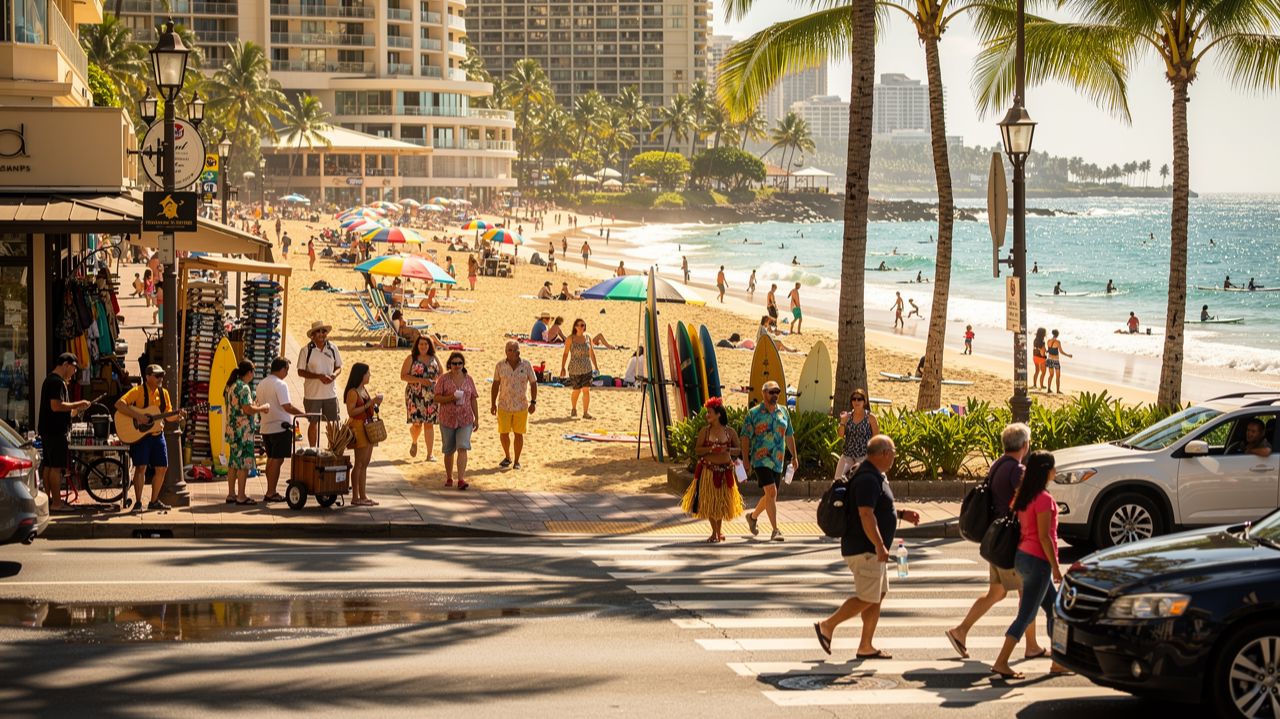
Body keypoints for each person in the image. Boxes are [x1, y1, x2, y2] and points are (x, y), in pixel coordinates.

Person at [813, 435, 920, 659]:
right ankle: (827, 626)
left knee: (876, 595)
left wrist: (901, 514)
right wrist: (879, 545)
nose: (894, 457)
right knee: (867, 597)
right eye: (893, 452)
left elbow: (876, 508)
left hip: (870, 549)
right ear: (883, 453)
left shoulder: (873, 474)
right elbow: (865, 514)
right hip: (865, 548)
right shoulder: (867, 478)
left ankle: (866, 645)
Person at [947, 423, 1046, 660]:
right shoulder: (1017, 470)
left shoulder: (998, 464)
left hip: (997, 538)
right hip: (1011, 542)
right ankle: (1031, 646)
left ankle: (960, 631)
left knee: (997, 592)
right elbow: (1027, 501)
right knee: (1027, 593)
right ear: (1025, 445)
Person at [989, 450, 1072, 679]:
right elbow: (1045, 536)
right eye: (1053, 468)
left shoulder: (1024, 495)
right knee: (1026, 614)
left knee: (1054, 609)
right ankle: (1002, 662)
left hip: (1023, 557)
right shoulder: (1044, 499)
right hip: (1039, 561)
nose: (1056, 471)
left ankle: (1058, 661)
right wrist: (1055, 567)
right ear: (1046, 471)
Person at [116, 364, 183, 512]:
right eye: (157, 375)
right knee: (141, 468)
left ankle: (153, 501)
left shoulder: (164, 393)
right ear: (147, 377)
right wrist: (139, 416)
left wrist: (178, 416)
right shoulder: (138, 391)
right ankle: (138, 502)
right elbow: (119, 404)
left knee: (162, 468)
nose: (160, 378)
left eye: (161, 375)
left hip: (158, 434)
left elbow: (169, 415)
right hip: (141, 436)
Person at [739, 381, 798, 542]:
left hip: (778, 460)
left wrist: (794, 456)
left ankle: (752, 517)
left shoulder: (783, 412)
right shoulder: (754, 413)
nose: (775, 395)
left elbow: (789, 435)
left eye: (777, 392)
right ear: (764, 393)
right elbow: (745, 436)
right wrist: (745, 459)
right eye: (771, 392)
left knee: (770, 495)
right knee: (771, 492)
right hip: (760, 459)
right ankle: (775, 530)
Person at [681, 398, 744, 543]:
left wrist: (727, 449)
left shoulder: (730, 432)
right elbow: (698, 450)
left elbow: (738, 449)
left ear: (718, 415)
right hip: (708, 471)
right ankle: (714, 532)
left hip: (725, 471)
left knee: (721, 502)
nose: (707, 415)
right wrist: (710, 448)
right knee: (709, 502)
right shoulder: (705, 431)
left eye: (709, 412)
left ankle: (718, 531)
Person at [38, 353, 90, 512]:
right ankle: (57, 504)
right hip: (55, 431)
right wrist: (78, 403)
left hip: (48, 430)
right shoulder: (56, 382)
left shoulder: (50, 380)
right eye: (74, 368)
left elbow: (59, 408)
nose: (75, 372)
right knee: (55, 468)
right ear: (67, 364)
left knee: (48, 466)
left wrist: (74, 410)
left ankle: (48, 501)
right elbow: (56, 406)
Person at [256, 358, 305, 503]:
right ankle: (271, 492)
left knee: (271, 459)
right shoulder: (280, 384)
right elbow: (287, 406)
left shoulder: (262, 383)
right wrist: (303, 414)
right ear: (282, 369)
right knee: (277, 460)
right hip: (280, 427)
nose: (287, 373)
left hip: (266, 426)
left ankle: (270, 490)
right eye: (287, 370)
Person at [223, 360, 268, 506]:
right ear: (249, 373)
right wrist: (262, 408)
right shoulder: (243, 387)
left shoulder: (231, 386)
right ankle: (241, 496)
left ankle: (231, 494)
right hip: (243, 431)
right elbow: (247, 409)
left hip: (232, 430)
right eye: (253, 372)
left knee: (233, 462)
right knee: (243, 463)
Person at [435, 351, 479, 489]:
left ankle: (461, 479)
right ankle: (449, 477)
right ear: (450, 364)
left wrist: (476, 418)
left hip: (465, 419)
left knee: (463, 447)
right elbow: (436, 398)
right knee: (448, 450)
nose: (457, 366)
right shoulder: (443, 379)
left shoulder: (469, 379)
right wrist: (451, 398)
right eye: (454, 363)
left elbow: (473, 398)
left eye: (460, 363)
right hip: (447, 418)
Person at [492, 341, 538, 470]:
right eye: (510, 350)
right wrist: (492, 403)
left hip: (521, 405)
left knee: (519, 434)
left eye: (516, 350)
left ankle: (517, 460)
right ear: (506, 352)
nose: (513, 352)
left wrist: (533, 402)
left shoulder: (527, 365)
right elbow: (495, 384)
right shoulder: (500, 366)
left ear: (519, 351)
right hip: (504, 405)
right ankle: (507, 456)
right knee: (503, 433)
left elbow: (534, 383)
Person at [343, 362, 383, 506]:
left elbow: (367, 408)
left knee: (364, 464)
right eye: (367, 373)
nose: (369, 375)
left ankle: (363, 495)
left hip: (367, 426)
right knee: (359, 463)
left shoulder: (363, 390)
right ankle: (355, 497)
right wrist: (369, 403)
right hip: (358, 427)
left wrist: (375, 403)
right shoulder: (353, 392)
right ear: (361, 375)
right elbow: (351, 412)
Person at [297, 321, 343, 447]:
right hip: (312, 395)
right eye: (319, 332)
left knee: (333, 423)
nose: (322, 334)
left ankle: (333, 448)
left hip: (330, 394)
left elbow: (339, 367)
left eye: (324, 331)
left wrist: (334, 375)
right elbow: (300, 372)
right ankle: (313, 450)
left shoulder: (333, 348)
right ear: (313, 335)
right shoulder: (306, 350)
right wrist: (318, 377)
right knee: (313, 423)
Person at [402, 335, 441, 461]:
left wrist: (436, 381)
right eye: (421, 344)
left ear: (429, 345)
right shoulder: (411, 358)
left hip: (431, 395)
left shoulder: (434, 357)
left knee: (429, 424)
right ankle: (414, 441)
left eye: (426, 344)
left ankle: (430, 454)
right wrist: (420, 381)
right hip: (415, 395)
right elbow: (403, 376)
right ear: (417, 346)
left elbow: (442, 372)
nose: (423, 346)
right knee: (417, 424)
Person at [835, 389, 878, 480]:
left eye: (859, 399)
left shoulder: (871, 418)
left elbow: (876, 437)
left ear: (864, 401)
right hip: (848, 454)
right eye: (854, 399)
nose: (856, 401)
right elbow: (840, 435)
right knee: (838, 481)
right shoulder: (847, 417)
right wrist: (842, 422)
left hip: (864, 455)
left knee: (862, 482)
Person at [561, 318, 601, 419]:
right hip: (574, 368)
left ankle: (585, 412)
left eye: (583, 325)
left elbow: (591, 353)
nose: (582, 327)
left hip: (587, 367)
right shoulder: (570, 338)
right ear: (575, 327)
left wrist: (596, 366)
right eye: (580, 325)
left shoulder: (588, 337)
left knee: (586, 390)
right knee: (576, 390)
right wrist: (563, 367)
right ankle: (574, 408)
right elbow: (565, 353)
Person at [1045, 329, 1072, 394]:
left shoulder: (1048, 341)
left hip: (1049, 359)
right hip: (1056, 361)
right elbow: (1061, 352)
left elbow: (1049, 350)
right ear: (1057, 335)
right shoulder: (1058, 342)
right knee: (1058, 376)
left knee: (1051, 375)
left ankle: (1048, 389)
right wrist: (1068, 355)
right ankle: (1057, 391)